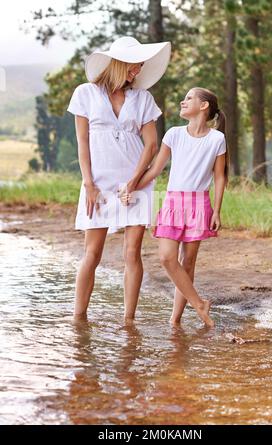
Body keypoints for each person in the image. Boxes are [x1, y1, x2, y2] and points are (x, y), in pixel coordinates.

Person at [67, 36, 171, 323]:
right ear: (117, 63)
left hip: (135, 179)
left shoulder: (143, 98)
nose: (137, 72)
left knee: (132, 252)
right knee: (92, 251)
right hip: (98, 181)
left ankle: (128, 320)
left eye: (139, 67)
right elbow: (82, 142)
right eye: (133, 66)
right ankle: (78, 319)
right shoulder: (85, 93)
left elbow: (151, 144)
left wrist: (135, 181)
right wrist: (88, 183)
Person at [120, 87, 229, 328]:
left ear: (204, 106)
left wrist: (218, 210)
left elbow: (219, 177)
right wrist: (132, 186)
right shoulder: (173, 134)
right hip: (171, 201)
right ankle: (200, 304)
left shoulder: (217, 139)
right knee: (167, 258)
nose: (183, 101)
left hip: (199, 204)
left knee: (188, 262)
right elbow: (156, 169)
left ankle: (175, 320)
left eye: (189, 98)